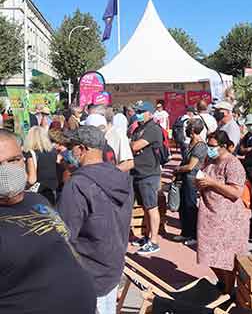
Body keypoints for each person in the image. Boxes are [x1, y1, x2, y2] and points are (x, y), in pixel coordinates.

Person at [0, 129, 96, 314]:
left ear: (24, 159)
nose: (7, 170)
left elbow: (65, 247)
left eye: (13, 160)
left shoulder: (37, 200)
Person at [56, 126, 132, 314]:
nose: (69, 151)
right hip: (112, 264)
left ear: (82, 149)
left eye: (72, 146)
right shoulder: (120, 177)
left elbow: (63, 236)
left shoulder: (78, 185)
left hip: (87, 272)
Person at [195, 130, 248, 294]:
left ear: (224, 146)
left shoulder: (233, 164)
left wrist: (212, 183)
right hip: (209, 216)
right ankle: (223, 283)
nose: (209, 149)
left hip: (228, 218)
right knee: (207, 255)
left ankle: (229, 289)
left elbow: (236, 192)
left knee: (226, 258)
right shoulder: (209, 160)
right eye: (208, 146)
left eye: (212, 146)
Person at [130, 101, 164, 255]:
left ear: (150, 113)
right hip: (137, 172)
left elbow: (134, 146)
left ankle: (154, 241)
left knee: (152, 207)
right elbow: (132, 144)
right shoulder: (139, 128)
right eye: (137, 110)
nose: (138, 113)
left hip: (149, 174)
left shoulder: (153, 129)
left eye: (142, 111)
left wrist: (133, 146)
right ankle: (147, 236)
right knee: (145, 207)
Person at [173, 118, 207, 246]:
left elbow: (190, 166)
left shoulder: (200, 145)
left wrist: (177, 169)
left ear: (192, 129)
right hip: (184, 178)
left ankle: (194, 234)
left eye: (188, 127)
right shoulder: (191, 142)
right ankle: (185, 232)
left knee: (190, 207)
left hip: (192, 178)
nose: (185, 129)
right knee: (183, 206)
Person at [23, 126, 59, 205]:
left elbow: (32, 179)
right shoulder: (53, 151)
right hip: (52, 190)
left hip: (38, 192)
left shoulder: (30, 153)